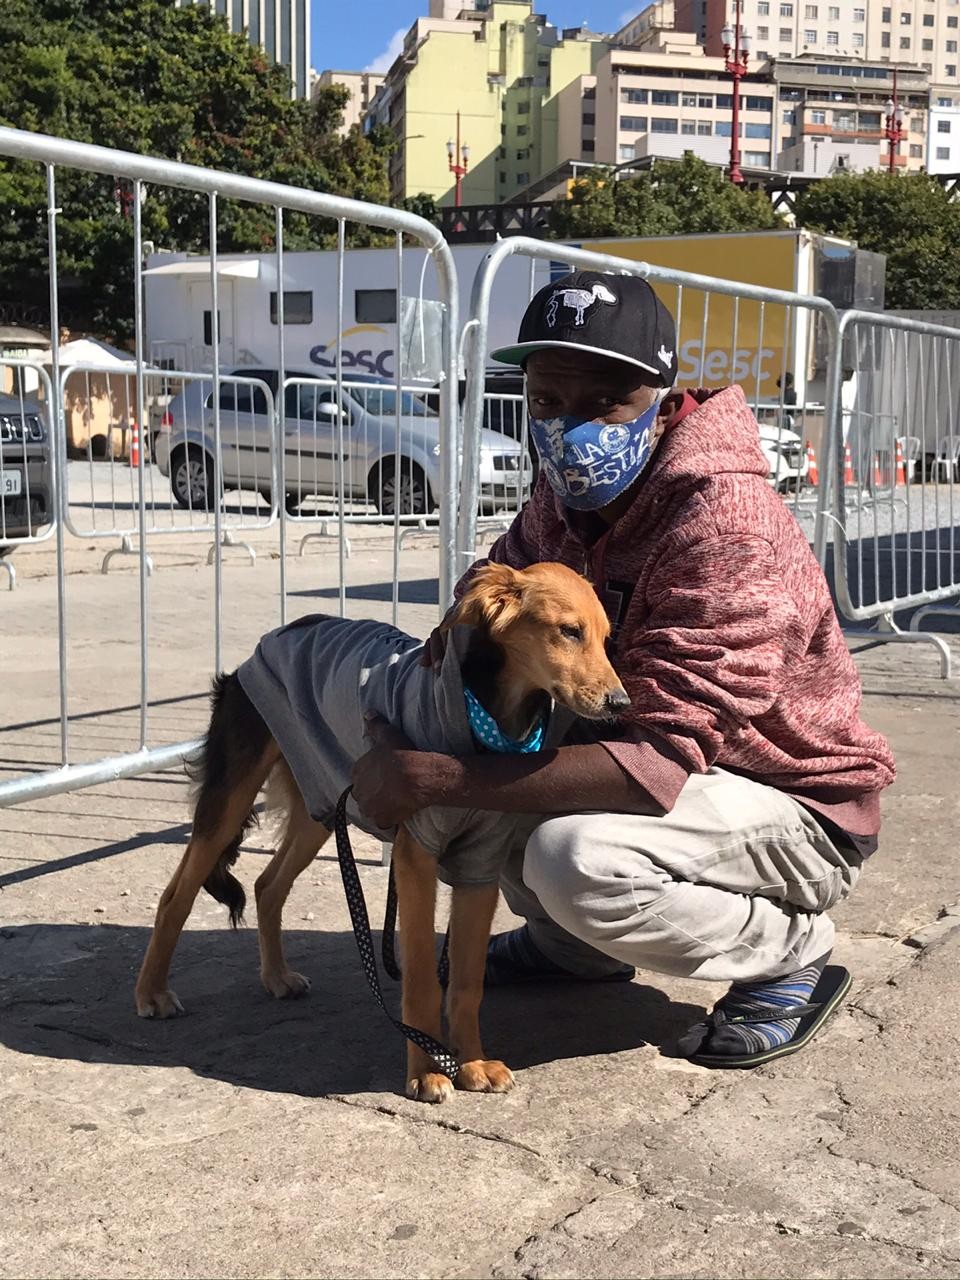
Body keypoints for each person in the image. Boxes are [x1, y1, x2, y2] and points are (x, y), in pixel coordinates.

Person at [351, 271, 895, 1068]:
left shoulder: (724, 525)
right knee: (496, 786)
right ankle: (577, 948)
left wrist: (434, 774)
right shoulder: (567, 497)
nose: (571, 427)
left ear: (663, 398)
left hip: (789, 801)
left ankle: (790, 954)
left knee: (571, 854)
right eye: (547, 401)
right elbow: (503, 572)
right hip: (675, 778)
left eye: (605, 400)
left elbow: (657, 763)